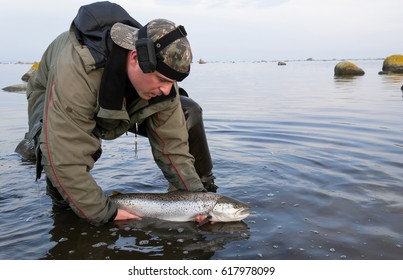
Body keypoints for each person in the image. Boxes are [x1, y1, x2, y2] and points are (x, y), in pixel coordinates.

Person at [15, 1, 217, 225]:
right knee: (60, 164)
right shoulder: (78, 73)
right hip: (56, 92)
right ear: (134, 59)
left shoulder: (159, 72)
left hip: (118, 98)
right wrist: (105, 212)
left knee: (187, 109)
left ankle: (205, 184)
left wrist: (200, 200)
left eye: (172, 82)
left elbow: (173, 149)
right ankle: (60, 205)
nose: (166, 89)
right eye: (161, 80)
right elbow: (65, 159)